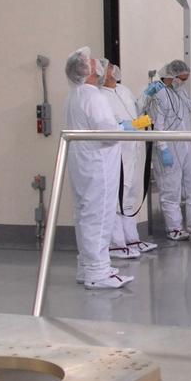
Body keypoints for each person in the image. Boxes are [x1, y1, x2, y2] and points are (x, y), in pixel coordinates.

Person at [63, 47, 133, 289]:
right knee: (99, 215)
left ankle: (88, 266)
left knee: (85, 214)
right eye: (94, 64)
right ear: (87, 71)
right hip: (98, 163)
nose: (101, 65)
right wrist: (124, 128)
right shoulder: (94, 96)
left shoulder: (75, 95)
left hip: (82, 163)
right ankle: (98, 272)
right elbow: (108, 134)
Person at [144, 59, 191, 240]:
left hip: (186, 143)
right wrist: (163, 149)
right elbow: (157, 125)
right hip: (168, 145)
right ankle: (174, 228)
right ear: (172, 76)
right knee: (171, 188)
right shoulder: (159, 95)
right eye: (181, 79)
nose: (183, 82)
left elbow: (187, 106)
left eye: (185, 79)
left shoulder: (179, 90)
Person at [101, 64, 158, 259]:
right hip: (117, 150)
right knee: (118, 196)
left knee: (131, 194)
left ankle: (131, 238)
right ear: (102, 73)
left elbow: (136, 107)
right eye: (109, 67)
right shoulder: (100, 96)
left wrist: (147, 94)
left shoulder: (123, 90)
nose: (113, 68)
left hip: (133, 149)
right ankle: (116, 243)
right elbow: (108, 124)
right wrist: (128, 125)